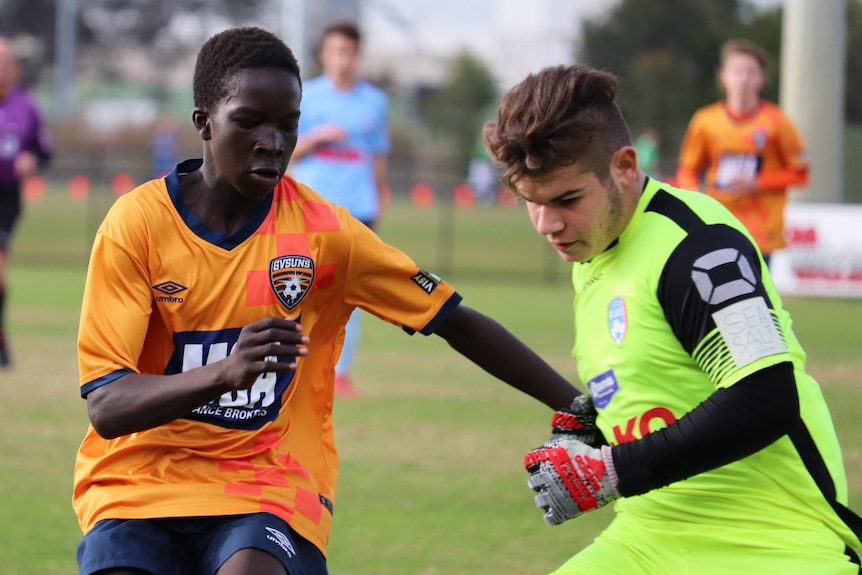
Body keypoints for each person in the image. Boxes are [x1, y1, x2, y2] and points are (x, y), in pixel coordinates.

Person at [73, 27, 579, 575]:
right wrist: (227, 371)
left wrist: (577, 407)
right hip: (140, 482)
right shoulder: (138, 225)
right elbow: (107, 404)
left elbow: (454, 321)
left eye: (288, 126)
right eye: (249, 122)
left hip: (269, 485)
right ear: (204, 122)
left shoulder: (326, 235)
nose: (273, 142)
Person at [482, 63, 862, 574]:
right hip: (645, 540)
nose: (547, 224)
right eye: (531, 203)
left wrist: (612, 470)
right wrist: (594, 422)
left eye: (567, 199)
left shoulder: (698, 247)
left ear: (624, 166)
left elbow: (767, 396)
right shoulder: (595, 249)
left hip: (773, 543)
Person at [290, 21, 389, 399]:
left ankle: (340, 372)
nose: (342, 59)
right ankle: (294, 366)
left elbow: (378, 158)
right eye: (335, 51)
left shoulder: (375, 102)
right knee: (297, 286)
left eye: (348, 52)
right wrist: (315, 138)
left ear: (357, 55)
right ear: (323, 55)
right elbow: (287, 152)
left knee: (351, 294)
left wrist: (379, 199)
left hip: (357, 210)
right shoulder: (305, 97)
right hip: (310, 208)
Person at [677, 39, 809, 268]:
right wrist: (695, 195)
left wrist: (759, 182)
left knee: (758, 298)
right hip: (717, 222)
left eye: (751, 72)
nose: (743, 79)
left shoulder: (777, 122)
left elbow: (801, 174)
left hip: (761, 229)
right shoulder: (705, 121)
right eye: (737, 71)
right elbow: (687, 168)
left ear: (762, 79)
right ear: (723, 77)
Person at [0, 36, 53, 368]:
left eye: (4, 62)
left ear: (14, 68)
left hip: (4, 200)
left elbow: (44, 152)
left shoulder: (26, 107)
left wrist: (32, 161)